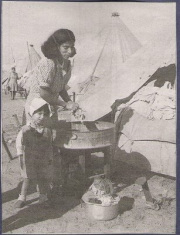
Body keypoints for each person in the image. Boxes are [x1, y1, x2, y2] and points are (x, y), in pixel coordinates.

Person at [24, 28, 79, 125]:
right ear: (56, 47)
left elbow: (61, 88)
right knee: (38, 136)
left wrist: (70, 102)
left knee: (51, 136)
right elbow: (44, 93)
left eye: (72, 47)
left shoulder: (67, 64)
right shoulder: (48, 63)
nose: (70, 51)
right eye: (65, 47)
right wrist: (65, 104)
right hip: (37, 108)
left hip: (50, 106)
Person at [15, 98, 53, 208]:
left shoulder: (47, 131)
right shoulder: (25, 130)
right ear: (32, 114)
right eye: (39, 114)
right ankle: (22, 196)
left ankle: (43, 195)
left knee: (42, 176)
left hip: (42, 158)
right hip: (29, 158)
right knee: (27, 177)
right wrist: (21, 157)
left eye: (44, 114)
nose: (42, 117)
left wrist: (49, 158)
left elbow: (49, 146)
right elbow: (19, 145)